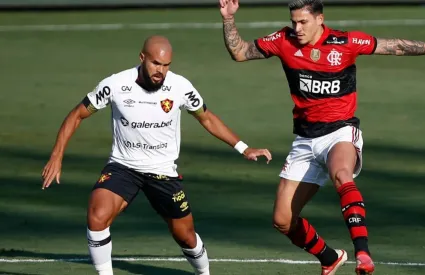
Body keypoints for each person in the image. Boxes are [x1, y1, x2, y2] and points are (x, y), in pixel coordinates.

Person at [219, 0, 425, 274]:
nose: (297, 28)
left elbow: (394, 46)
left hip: (339, 131)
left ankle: (363, 253)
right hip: (304, 140)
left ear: (319, 19)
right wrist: (229, 19)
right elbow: (240, 52)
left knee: (342, 174)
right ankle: (329, 258)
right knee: (282, 220)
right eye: (294, 22)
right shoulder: (283, 40)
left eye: (303, 22)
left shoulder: (345, 42)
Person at [41, 35, 272, 275]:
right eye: (155, 64)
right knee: (97, 216)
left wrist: (243, 147)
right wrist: (57, 156)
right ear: (142, 58)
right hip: (123, 166)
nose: (160, 71)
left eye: (166, 65)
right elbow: (77, 115)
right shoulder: (116, 84)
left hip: (163, 172)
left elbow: (207, 117)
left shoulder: (180, 87)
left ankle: (204, 273)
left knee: (186, 236)